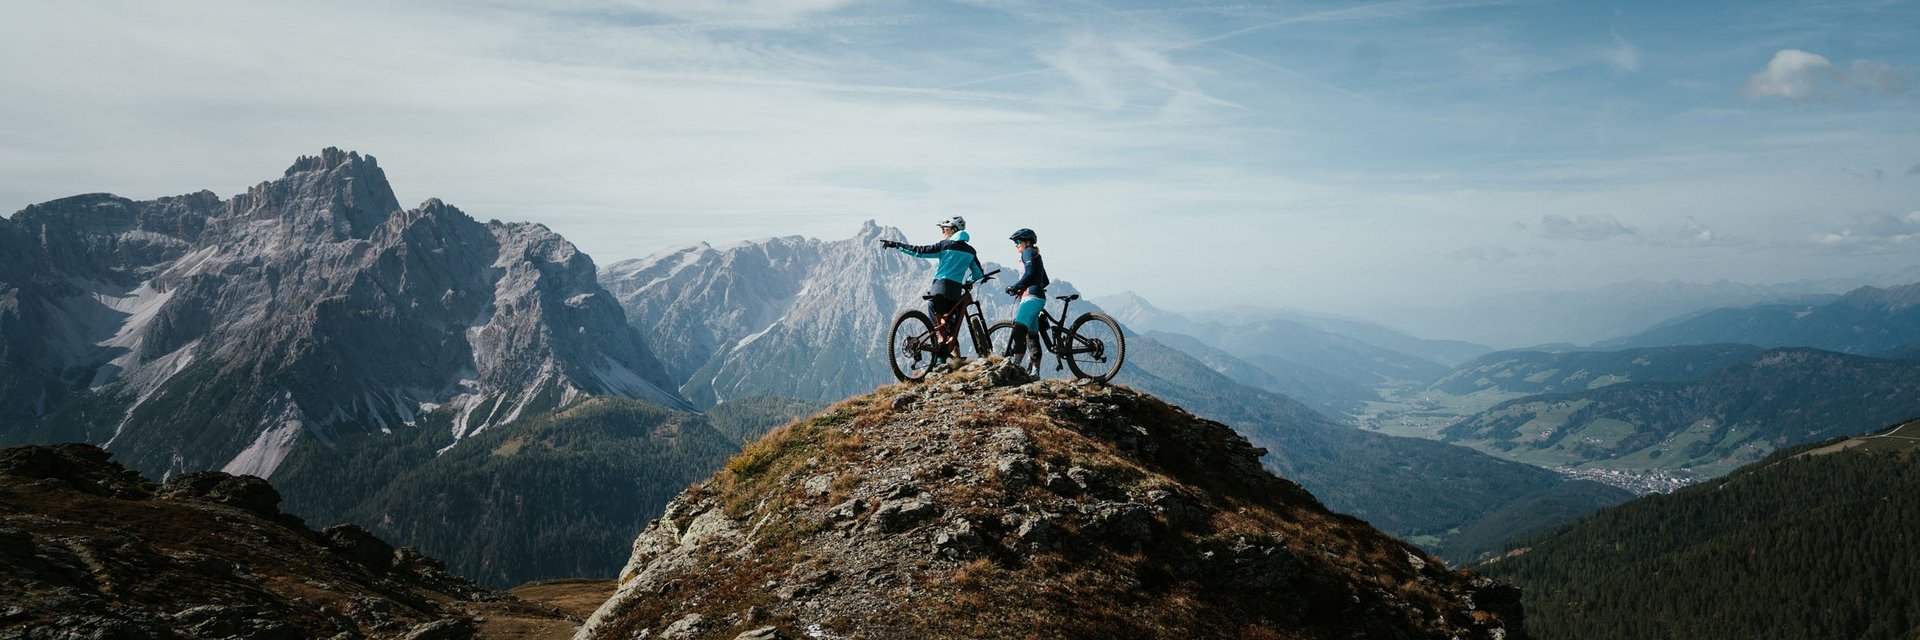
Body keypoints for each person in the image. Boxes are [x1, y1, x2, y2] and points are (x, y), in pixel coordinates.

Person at [880, 216, 984, 366]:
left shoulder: (944, 245)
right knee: (950, 326)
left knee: (938, 323)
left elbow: (920, 251)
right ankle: (947, 358)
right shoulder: (970, 251)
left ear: (954, 230)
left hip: (940, 288)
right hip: (955, 292)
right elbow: (978, 274)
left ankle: (940, 356)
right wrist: (967, 282)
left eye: (944, 229)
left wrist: (897, 245)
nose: (942, 231)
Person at [1002, 228, 1048, 370]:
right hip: (1037, 297)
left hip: (1031, 298)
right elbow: (1045, 280)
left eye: (1017, 241)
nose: (1016, 245)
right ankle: (1035, 371)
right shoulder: (1035, 254)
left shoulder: (1028, 252)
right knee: (1032, 336)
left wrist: (1016, 287)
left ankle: (1016, 364)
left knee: (1019, 329)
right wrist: (1027, 288)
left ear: (1027, 242)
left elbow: (1029, 273)